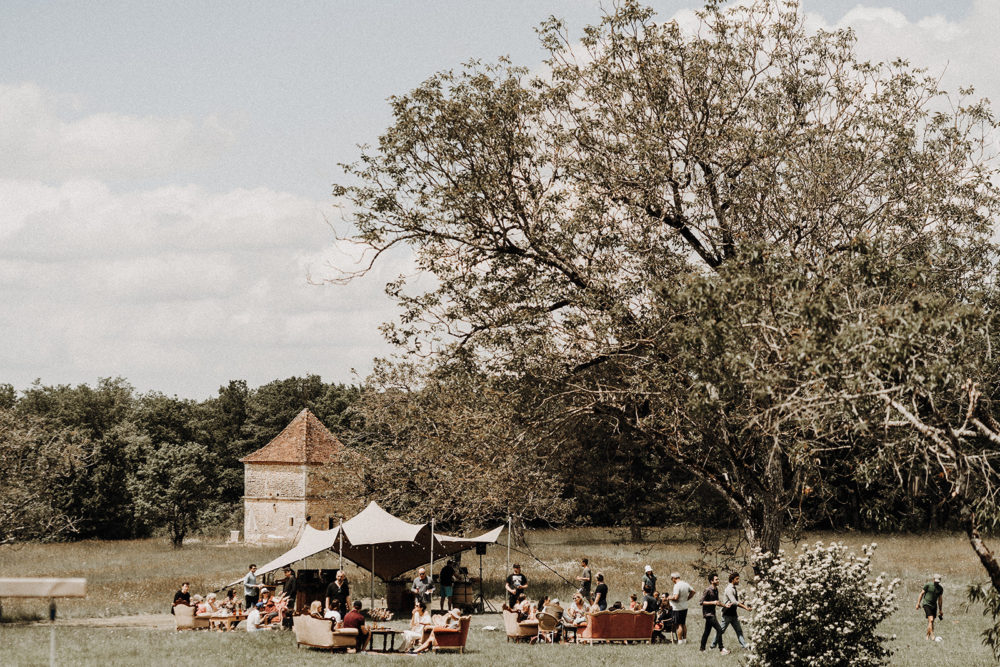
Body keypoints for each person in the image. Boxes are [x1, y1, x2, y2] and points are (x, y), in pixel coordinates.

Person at [714, 572, 751, 649]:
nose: (738, 580)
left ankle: (744, 646)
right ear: (732, 580)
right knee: (721, 631)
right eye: (737, 579)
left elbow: (735, 602)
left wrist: (743, 603)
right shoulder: (729, 589)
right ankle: (712, 645)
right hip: (727, 614)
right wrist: (745, 608)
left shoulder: (734, 588)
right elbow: (734, 602)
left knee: (739, 631)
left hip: (733, 614)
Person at [699, 573, 729, 654]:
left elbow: (717, 602)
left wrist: (725, 605)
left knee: (707, 632)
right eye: (716, 579)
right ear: (712, 581)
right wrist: (713, 602)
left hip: (712, 613)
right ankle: (721, 649)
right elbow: (701, 602)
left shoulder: (716, 590)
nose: (718, 581)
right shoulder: (708, 590)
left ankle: (702, 649)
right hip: (708, 614)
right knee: (719, 630)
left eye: (718, 579)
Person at [668, 571, 695, 644]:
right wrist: (687, 598)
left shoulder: (677, 586)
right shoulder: (685, 584)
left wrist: (670, 597)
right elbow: (693, 591)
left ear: (674, 578)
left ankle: (680, 641)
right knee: (683, 623)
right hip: (685, 606)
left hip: (677, 608)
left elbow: (676, 597)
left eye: (672, 579)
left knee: (678, 624)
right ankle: (684, 639)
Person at [916, 574, 944, 640]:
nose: (936, 583)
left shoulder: (940, 589)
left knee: (931, 622)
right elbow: (921, 593)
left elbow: (940, 599)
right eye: (935, 581)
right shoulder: (928, 585)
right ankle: (933, 636)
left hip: (934, 605)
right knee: (931, 620)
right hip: (926, 604)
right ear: (933, 579)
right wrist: (918, 603)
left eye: (938, 582)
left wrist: (940, 610)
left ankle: (927, 637)